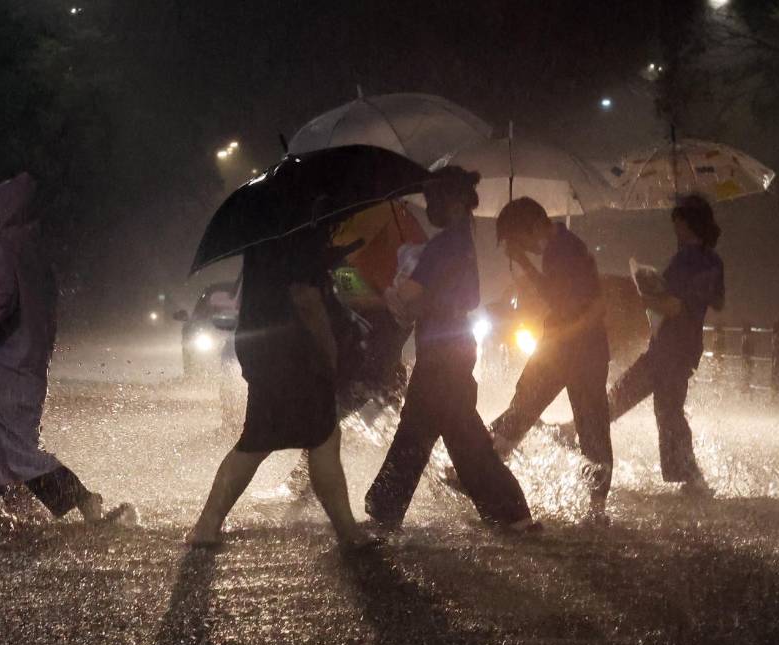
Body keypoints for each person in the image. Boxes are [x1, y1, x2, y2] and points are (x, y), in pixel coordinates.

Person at [364, 167, 538, 533]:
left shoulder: (443, 246)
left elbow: (410, 296)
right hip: (454, 346)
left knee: (437, 431)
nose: (429, 208)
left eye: (434, 200)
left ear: (454, 201)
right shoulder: (463, 242)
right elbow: (470, 296)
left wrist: (392, 293)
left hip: (441, 351)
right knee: (446, 430)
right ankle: (509, 511)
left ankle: (386, 508)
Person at [0, 172, 116, 521]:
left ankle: (82, 499)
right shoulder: (35, 245)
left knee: (15, 445)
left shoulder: (8, 246)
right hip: (27, 357)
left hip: (7, 359)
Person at [188, 224, 372, 548]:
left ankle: (207, 526)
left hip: (265, 351)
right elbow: (305, 296)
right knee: (316, 437)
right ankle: (348, 533)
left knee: (270, 439)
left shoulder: (266, 236)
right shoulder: (302, 230)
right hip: (295, 355)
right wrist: (330, 350)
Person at [483, 196, 613, 517]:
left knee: (526, 406)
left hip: (569, 348)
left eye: (517, 241)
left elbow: (561, 300)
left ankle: (479, 471)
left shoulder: (560, 251)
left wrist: (526, 266)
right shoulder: (565, 246)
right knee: (590, 424)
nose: (522, 250)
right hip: (582, 347)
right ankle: (597, 506)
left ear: (530, 228)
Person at [607, 193, 724, 497]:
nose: (674, 230)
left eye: (676, 223)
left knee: (635, 394)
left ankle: (577, 428)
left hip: (669, 344)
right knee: (668, 408)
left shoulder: (685, 259)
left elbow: (672, 306)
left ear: (685, 223)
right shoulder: (713, 260)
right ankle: (690, 477)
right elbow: (718, 302)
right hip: (688, 345)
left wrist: (641, 296)